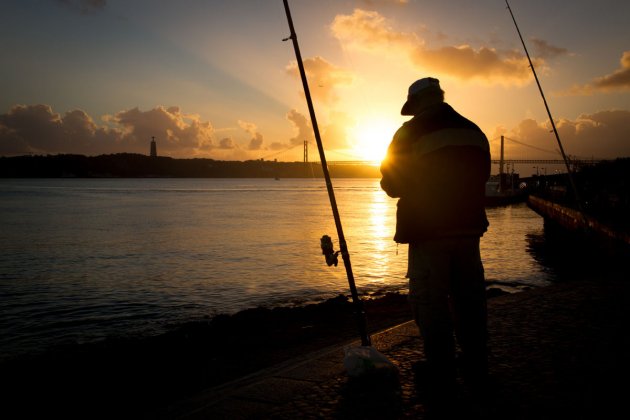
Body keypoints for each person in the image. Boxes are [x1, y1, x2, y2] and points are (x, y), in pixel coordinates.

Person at [380, 78, 491, 397]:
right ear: (440, 98)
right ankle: (475, 362)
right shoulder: (474, 131)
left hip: (429, 231)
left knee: (430, 302)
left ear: (415, 105)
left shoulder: (410, 133)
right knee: (470, 300)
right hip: (469, 230)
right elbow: (482, 176)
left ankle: (440, 369)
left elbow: (392, 184)